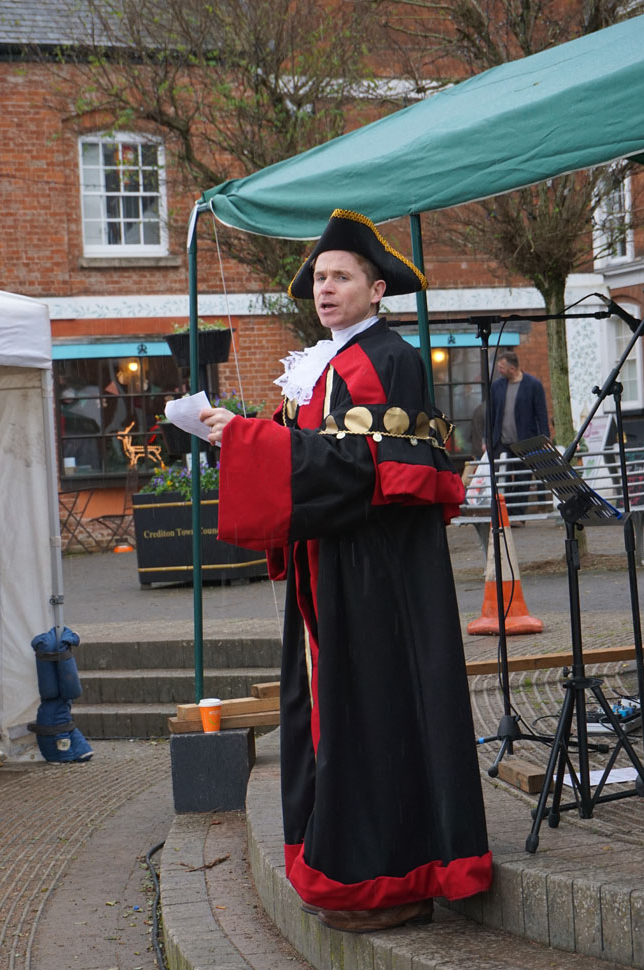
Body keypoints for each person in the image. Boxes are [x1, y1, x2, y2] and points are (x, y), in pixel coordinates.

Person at [201, 209, 492, 933]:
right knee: (337, 717)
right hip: (329, 569)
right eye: (320, 278)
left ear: (376, 287)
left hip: (372, 576)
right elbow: (311, 456)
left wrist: (246, 442)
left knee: (374, 716)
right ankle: (345, 867)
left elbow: (362, 470)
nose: (325, 289)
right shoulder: (324, 365)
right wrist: (239, 437)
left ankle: (390, 879)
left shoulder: (384, 360)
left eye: (341, 277)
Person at [490, 350, 549, 513]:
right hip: (502, 442)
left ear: (512, 368)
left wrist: (545, 439)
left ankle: (518, 514)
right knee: (504, 477)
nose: (499, 370)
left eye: (501, 367)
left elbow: (541, 413)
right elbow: (492, 414)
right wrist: (486, 439)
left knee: (523, 478)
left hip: (525, 441)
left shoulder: (533, 385)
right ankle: (506, 513)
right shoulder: (497, 386)